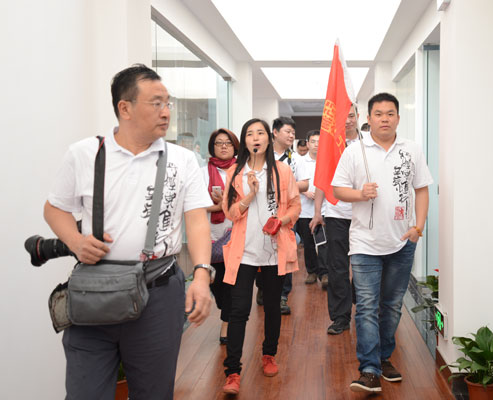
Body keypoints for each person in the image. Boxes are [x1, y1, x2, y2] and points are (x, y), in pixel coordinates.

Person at [43, 64, 213, 399]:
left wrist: (202, 276)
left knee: (154, 392)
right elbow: (54, 209)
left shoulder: (182, 160)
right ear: (125, 108)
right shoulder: (85, 154)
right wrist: (76, 241)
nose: (166, 112)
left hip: (158, 292)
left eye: (168, 103)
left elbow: (196, 220)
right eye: (156, 103)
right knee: (84, 392)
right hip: (94, 291)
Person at [332, 92, 433, 393]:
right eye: (378, 114)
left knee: (391, 306)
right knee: (366, 306)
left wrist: (418, 227)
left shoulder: (411, 150)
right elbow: (337, 189)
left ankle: (384, 357)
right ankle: (369, 369)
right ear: (369, 118)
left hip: (402, 242)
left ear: (398, 118)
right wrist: (360, 194)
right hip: (364, 242)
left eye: (390, 114)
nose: (384, 119)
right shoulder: (355, 151)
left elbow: (422, 189)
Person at [221, 118, 301, 395]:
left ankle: (269, 354)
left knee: (272, 307)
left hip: (274, 251)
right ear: (244, 141)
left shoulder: (282, 171)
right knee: (238, 311)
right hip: (243, 252)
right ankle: (232, 371)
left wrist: (282, 220)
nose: (255, 138)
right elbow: (230, 212)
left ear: (269, 138)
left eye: (260, 133)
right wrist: (249, 195)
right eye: (250, 134)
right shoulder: (235, 172)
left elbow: (295, 205)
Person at [310, 105, 361, 335]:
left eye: (351, 116)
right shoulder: (330, 145)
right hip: (337, 213)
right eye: (343, 116)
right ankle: (340, 317)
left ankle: (364, 309)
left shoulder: (368, 143)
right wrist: (318, 212)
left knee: (363, 265)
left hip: (363, 214)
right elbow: (322, 181)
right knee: (337, 267)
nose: (347, 120)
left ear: (358, 117)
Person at [256, 116, 309, 314]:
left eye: (293, 133)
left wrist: (285, 185)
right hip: (261, 212)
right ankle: (262, 287)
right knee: (261, 250)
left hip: (286, 215)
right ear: (275, 133)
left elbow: (305, 184)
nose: (291, 135)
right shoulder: (261, 155)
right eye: (288, 131)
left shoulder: (296, 159)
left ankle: (282, 296)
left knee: (286, 254)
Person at [202, 128, 240, 344]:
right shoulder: (201, 172)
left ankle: (227, 324)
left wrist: (226, 202)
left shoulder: (241, 171)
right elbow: (192, 204)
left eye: (228, 142)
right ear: (212, 147)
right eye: (219, 143)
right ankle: (226, 312)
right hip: (208, 234)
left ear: (235, 146)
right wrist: (217, 206)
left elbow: (249, 200)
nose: (224, 146)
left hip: (235, 231)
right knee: (217, 284)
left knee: (231, 281)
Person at [297, 130, 328, 287]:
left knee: (323, 243)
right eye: (313, 141)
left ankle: (325, 273)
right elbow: (293, 183)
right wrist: (305, 192)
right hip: (305, 210)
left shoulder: (327, 161)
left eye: (319, 142)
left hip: (324, 209)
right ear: (308, 143)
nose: (316, 145)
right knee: (308, 243)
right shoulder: (299, 161)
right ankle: (312, 272)